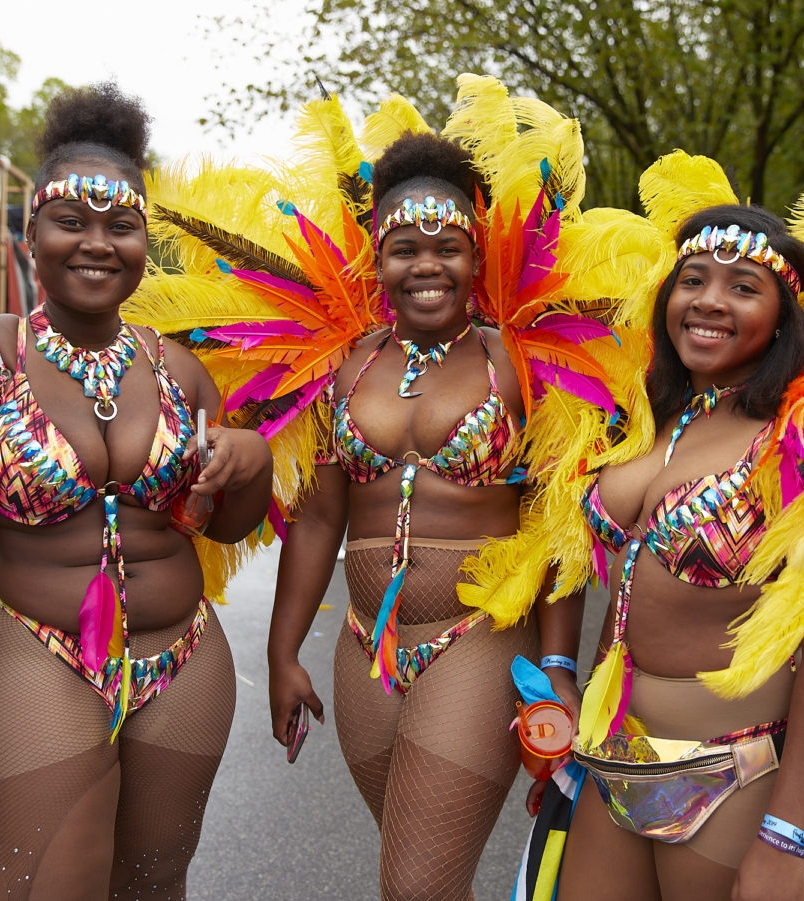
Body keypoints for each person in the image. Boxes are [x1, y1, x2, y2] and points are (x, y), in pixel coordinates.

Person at [0, 83, 273, 898]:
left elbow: (224, 524)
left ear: (143, 239)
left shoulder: (179, 368)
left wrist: (252, 460)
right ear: (30, 235)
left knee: (156, 884)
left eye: (121, 225)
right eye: (71, 222)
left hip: (185, 659)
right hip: (37, 654)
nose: (97, 243)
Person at [265, 130, 583, 900]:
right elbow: (316, 519)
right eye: (405, 246)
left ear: (478, 258)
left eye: (449, 246)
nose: (428, 264)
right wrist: (282, 651)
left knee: (415, 885)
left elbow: (557, 527)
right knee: (426, 873)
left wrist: (562, 668)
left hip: (475, 642)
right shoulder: (347, 365)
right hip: (364, 648)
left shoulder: (521, 363)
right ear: (377, 259)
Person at [556, 204, 804, 901]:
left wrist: (786, 837)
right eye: (693, 279)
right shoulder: (646, 416)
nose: (709, 300)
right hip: (620, 751)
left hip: (747, 764)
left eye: (742, 287)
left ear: (783, 315)